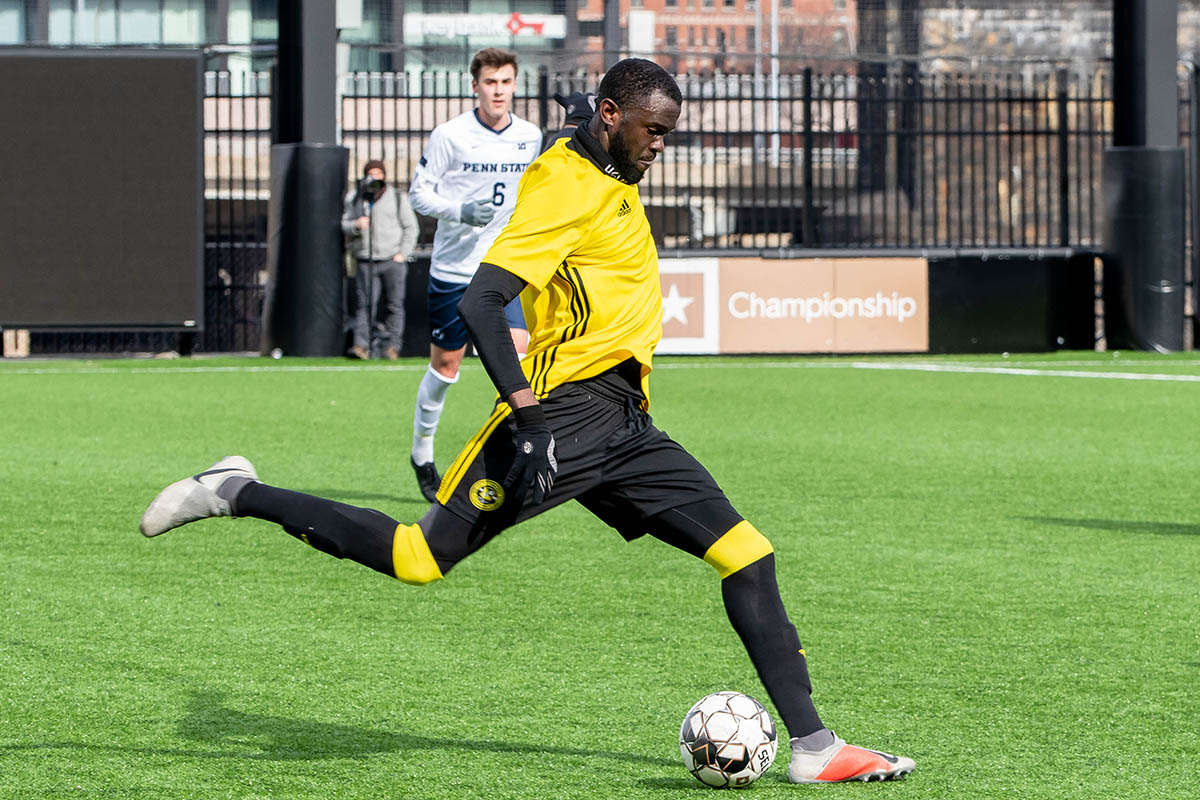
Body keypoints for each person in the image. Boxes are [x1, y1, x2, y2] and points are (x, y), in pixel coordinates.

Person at [139, 58, 914, 786]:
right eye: (652, 129)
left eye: (668, 132)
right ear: (611, 115)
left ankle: (815, 748)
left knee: (748, 554)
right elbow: (481, 301)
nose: (660, 146)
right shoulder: (563, 184)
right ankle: (236, 490)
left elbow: (592, 169)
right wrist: (530, 417)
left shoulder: (608, 162)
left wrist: (596, 133)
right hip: (560, 413)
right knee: (417, 558)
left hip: (624, 421)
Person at [407, 47, 543, 501]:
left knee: (518, 358)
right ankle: (422, 453)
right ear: (475, 86)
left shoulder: (529, 135)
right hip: (454, 268)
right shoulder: (450, 135)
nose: (498, 90)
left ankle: (508, 459)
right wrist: (460, 210)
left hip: (504, 265)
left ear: (515, 85)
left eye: (505, 82)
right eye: (490, 82)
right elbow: (419, 195)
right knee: (446, 367)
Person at [343, 160, 419, 360]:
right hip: (365, 259)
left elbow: (411, 227)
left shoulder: (396, 197)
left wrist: (402, 253)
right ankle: (361, 345)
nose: (375, 177)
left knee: (394, 305)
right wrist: (355, 225)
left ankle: (393, 347)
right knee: (364, 305)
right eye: (371, 173)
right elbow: (343, 224)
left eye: (379, 173)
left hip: (392, 259)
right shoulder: (355, 198)